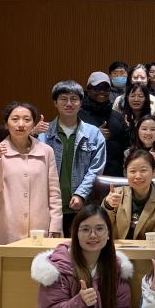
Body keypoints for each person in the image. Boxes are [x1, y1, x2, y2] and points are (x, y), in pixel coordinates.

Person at [0, 101, 62, 303]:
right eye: (15, 119)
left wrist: (55, 225)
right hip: (5, 225)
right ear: (6, 123)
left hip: (39, 227)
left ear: (34, 124)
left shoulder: (46, 151)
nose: (20, 124)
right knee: (1, 276)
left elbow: (54, 192)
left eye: (26, 119)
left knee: (39, 277)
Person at [39, 80, 106, 237]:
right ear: (55, 103)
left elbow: (96, 169)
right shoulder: (43, 134)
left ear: (81, 103)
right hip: (49, 206)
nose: (69, 103)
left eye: (74, 99)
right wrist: (32, 134)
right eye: (63, 99)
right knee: (52, 250)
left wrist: (81, 194)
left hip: (83, 206)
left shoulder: (94, 134)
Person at [103, 149, 155, 241]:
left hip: (147, 250)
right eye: (132, 171)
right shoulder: (116, 194)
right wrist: (108, 206)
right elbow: (103, 228)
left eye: (143, 170)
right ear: (126, 173)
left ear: (153, 172)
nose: (138, 176)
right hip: (116, 248)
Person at [79, 72, 129, 176]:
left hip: (115, 175)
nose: (102, 91)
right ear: (88, 89)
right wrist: (95, 136)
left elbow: (128, 145)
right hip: (86, 175)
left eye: (105, 88)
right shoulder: (78, 116)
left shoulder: (117, 116)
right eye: (97, 88)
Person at [114, 67, 155, 132]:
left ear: (148, 79)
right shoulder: (119, 100)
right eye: (135, 77)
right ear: (130, 79)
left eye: (142, 78)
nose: (139, 80)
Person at [125, 115, 155, 179]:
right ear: (137, 131)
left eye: (153, 129)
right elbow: (127, 177)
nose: (148, 133)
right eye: (144, 129)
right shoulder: (128, 153)